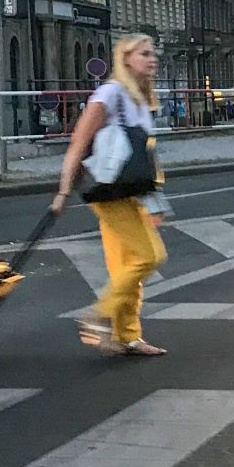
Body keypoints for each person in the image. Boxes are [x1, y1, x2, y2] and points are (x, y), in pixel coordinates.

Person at [50, 34, 169, 357]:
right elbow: (79, 142)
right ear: (126, 58)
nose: (152, 58)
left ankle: (127, 336)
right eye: (145, 53)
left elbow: (146, 156)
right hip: (110, 192)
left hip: (133, 191)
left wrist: (155, 201)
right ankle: (97, 315)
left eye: (153, 53)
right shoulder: (110, 93)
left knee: (126, 268)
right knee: (150, 256)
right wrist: (63, 191)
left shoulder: (142, 99)